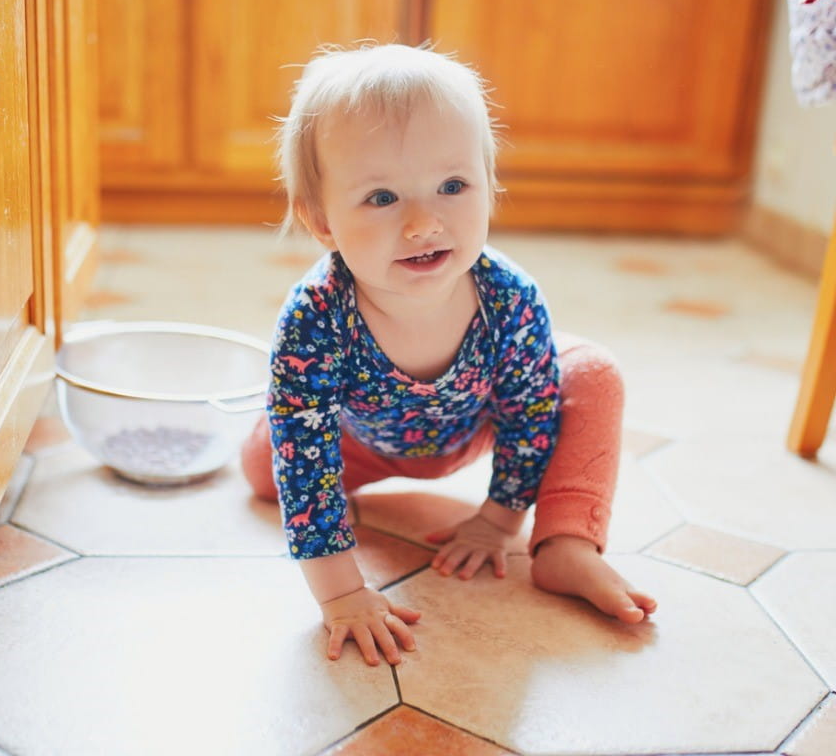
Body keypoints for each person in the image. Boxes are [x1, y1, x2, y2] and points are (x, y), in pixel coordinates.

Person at [241, 42, 657, 667]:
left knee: (593, 372)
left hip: (476, 425)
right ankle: (269, 419)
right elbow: (305, 467)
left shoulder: (507, 295)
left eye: (453, 186)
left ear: (490, 187)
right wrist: (343, 596)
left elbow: (530, 415)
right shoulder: (313, 318)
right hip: (358, 441)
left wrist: (498, 518)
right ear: (321, 221)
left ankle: (569, 546)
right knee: (267, 468)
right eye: (382, 198)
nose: (421, 224)